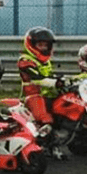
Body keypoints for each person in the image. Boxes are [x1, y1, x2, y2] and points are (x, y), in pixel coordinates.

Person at [16, 26, 67, 159]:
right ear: (31, 45)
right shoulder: (25, 61)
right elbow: (36, 79)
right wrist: (55, 82)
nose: (43, 48)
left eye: (46, 45)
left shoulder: (45, 62)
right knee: (45, 119)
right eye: (40, 45)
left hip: (48, 94)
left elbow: (50, 76)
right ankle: (42, 146)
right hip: (32, 95)